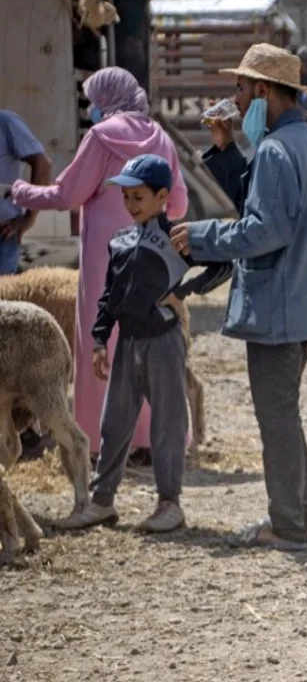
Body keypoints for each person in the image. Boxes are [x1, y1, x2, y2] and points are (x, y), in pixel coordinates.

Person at [170, 43, 307, 550]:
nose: (235, 100)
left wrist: (201, 237)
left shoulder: (278, 150)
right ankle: (298, 516)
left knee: (277, 417)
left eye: (241, 89)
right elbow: (262, 202)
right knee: (285, 411)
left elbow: (264, 229)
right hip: (301, 299)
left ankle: (287, 525)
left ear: (263, 91)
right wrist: (224, 149)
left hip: (278, 303)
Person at [8, 68, 188, 457]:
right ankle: (150, 440)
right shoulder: (161, 138)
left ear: (105, 99)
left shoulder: (101, 138)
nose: (91, 108)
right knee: (147, 339)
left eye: (93, 99)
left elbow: (67, 194)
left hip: (103, 259)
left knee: (101, 341)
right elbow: (179, 203)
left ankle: (102, 440)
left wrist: (20, 191)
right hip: (150, 255)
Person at [57, 155, 196, 533]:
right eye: (127, 197)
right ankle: (103, 501)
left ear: (163, 196)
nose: (131, 205)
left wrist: (182, 292)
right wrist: (100, 339)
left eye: (139, 197)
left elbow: (221, 265)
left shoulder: (177, 238)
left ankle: (170, 503)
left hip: (164, 341)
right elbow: (109, 295)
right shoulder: (121, 240)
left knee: (167, 423)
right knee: (114, 421)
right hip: (128, 341)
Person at [0, 110, 51, 275]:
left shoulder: (6, 123)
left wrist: (29, 217)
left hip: (3, 233)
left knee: (3, 297)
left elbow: (42, 164)